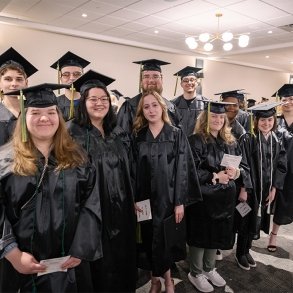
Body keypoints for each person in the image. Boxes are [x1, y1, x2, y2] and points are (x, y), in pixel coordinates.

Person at [0, 83, 102, 292]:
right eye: (35, 112)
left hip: (69, 262)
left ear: (59, 117)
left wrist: (81, 248)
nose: (44, 118)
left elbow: (91, 204)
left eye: (50, 112)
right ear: (24, 118)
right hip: (21, 265)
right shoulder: (5, 161)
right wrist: (12, 253)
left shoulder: (78, 158)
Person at [68, 70, 137, 292]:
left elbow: (130, 170)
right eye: (93, 99)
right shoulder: (72, 134)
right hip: (94, 212)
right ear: (83, 102)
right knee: (99, 265)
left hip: (122, 209)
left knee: (123, 257)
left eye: (104, 99)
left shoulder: (117, 131)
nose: (100, 103)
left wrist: (134, 200)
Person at [132, 90, 201, 293]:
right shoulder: (138, 137)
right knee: (148, 240)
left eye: (155, 105)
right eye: (146, 107)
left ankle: (167, 279)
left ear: (162, 107)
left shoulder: (176, 134)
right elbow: (133, 171)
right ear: (142, 111)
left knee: (165, 240)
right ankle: (156, 280)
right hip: (144, 200)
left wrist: (180, 201)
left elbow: (183, 169)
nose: (151, 110)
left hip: (168, 198)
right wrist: (134, 200)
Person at [186, 101, 251, 292]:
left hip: (224, 198)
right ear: (205, 117)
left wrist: (236, 173)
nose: (218, 120)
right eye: (214, 116)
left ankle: (209, 268)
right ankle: (196, 272)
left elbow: (242, 166)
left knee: (217, 233)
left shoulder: (230, 141)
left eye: (221, 117)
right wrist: (214, 176)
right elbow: (190, 170)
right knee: (201, 234)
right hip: (203, 197)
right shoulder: (195, 140)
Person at [238, 102, 287, 269]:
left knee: (257, 220)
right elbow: (243, 164)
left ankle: (248, 250)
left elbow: (281, 165)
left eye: (270, 120)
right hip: (251, 189)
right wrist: (244, 188)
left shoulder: (276, 140)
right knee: (246, 220)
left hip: (266, 190)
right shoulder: (248, 138)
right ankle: (240, 253)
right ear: (256, 121)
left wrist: (274, 188)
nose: (266, 124)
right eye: (262, 120)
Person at [117, 59, 181, 133]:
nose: (151, 80)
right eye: (146, 76)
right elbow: (121, 138)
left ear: (162, 79)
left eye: (155, 76)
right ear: (141, 81)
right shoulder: (129, 106)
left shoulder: (171, 107)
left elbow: (178, 138)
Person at [267, 84, 293, 252]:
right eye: (285, 99)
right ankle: (273, 235)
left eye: (291, 99)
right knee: (280, 204)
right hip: (280, 171)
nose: (288, 102)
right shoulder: (275, 122)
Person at [0, 47, 38, 146]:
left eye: (19, 79)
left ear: (26, 83)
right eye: (8, 79)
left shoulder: (35, 111)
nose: (14, 84)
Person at [50, 51, 90, 121]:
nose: (72, 78)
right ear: (60, 78)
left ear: (83, 77)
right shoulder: (53, 104)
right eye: (66, 74)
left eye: (77, 74)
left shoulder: (92, 102)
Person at [171, 66, 206, 136]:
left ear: (197, 83)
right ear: (181, 84)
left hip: (199, 144)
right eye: (185, 80)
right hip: (179, 143)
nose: (189, 83)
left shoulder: (206, 103)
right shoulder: (173, 104)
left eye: (192, 80)